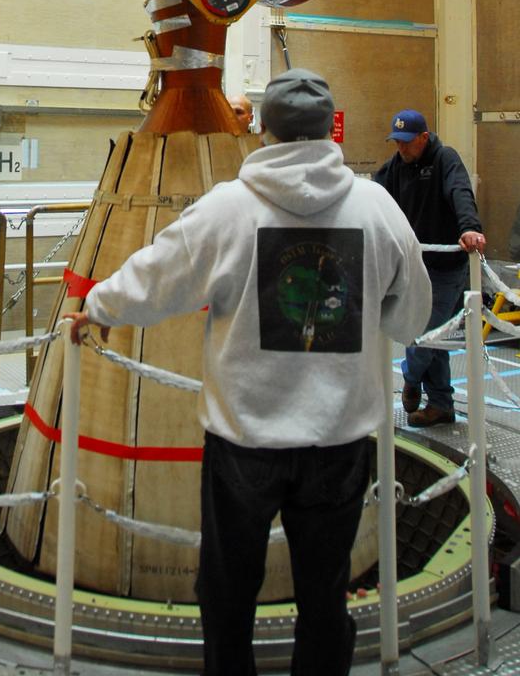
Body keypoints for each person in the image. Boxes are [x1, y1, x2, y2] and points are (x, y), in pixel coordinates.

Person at [69, 68, 430, 676]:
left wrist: (98, 306)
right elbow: (411, 316)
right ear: (327, 131)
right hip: (340, 443)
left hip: (244, 446)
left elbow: (158, 275)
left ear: (264, 128)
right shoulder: (377, 207)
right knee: (325, 595)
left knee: (229, 592)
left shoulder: (229, 208)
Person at [373, 109, 486, 428]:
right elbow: (374, 195)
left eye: (407, 142)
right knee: (435, 340)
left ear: (424, 137)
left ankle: (411, 381)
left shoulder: (445, 159)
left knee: (423, 332)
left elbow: (460, 192)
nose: (401, 149)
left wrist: (469, 227)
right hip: (413, 266)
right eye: (396, 142)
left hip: (446, 268)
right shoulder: (396, 165)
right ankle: (440, 405)